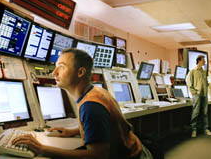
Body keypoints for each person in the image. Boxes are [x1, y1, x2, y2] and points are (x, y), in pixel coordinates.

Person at [12, 48, 152, 158]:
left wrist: (42, 148)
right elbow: (104, 128)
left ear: (80, 72)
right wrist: (73, 131)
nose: (54, 72)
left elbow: (97, 155)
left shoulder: (91, 106)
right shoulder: (96, 91)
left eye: (61, 67)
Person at [187, 55, 211, 137]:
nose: (205, 62)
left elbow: (205, 82)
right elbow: (188, 82)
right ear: (199, 61)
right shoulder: (193, 71)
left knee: (205, 113)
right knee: (196, 112)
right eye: (203, 60)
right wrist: (193, 92)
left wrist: (208, 85)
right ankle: (193, 130)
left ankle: (206, 129)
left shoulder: (204, 71)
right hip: (197, 94)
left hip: (204, 94)